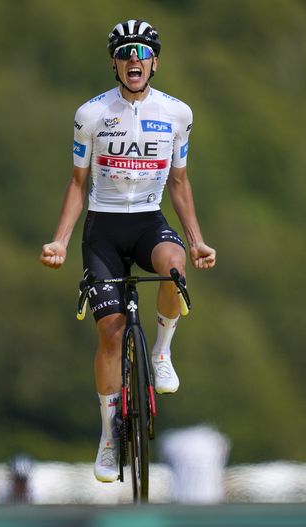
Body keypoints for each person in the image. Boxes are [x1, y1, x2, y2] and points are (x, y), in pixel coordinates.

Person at [40, 19, 216, 483]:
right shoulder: (91, 114)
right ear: (114, 64)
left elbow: (180, 181)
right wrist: (60, 240)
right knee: (111, 333)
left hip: (147, 221)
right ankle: (107, 435)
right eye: (124, 53)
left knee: (174, 267)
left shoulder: (178, 113)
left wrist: (196, 240)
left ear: (154, 63)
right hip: (103, 227)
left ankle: (161, 352)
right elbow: (77, 183)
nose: (133, 59)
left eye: (141, 52)